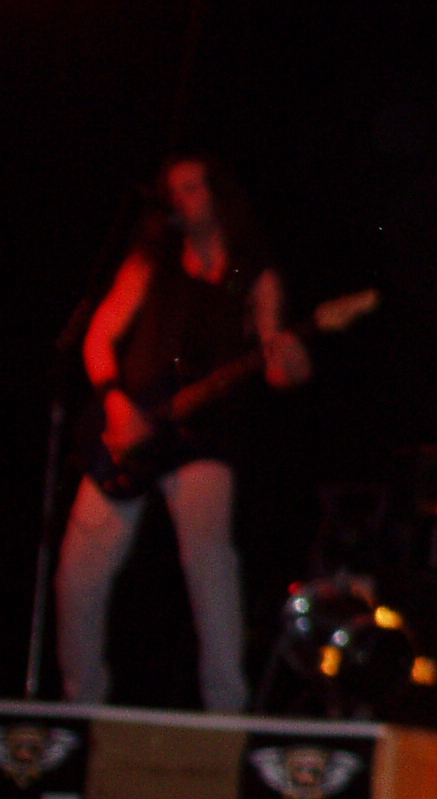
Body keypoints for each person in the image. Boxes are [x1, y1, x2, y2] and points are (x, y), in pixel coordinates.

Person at [57, 154, 312, 712]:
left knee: (210, 566)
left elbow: (275, 366)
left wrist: (291, 360)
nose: (181, 200)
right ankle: (80, 707)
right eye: (173, 191)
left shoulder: (249, 274)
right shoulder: (152, 260)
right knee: (77, 579)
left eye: (193, 187)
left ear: (219, 195)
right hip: (129, 428)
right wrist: (115, 403)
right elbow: (99, 336)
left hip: (204, 436)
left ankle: (225, 712)